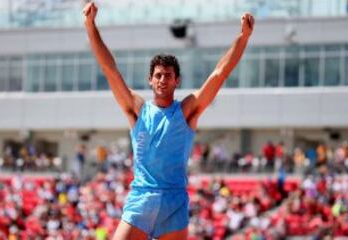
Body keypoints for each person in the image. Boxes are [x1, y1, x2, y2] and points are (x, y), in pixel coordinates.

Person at [83, 2, 254, 239]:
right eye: (158, 75)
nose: (163, 80)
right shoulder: (137, 109)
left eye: (168, 76)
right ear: (150, 80)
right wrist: (91, 27)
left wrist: (243, 38)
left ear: (177, 81)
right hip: (142, 199)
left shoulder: (186, 111)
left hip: (174, 202)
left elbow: (219, 73)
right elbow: (109, 69)